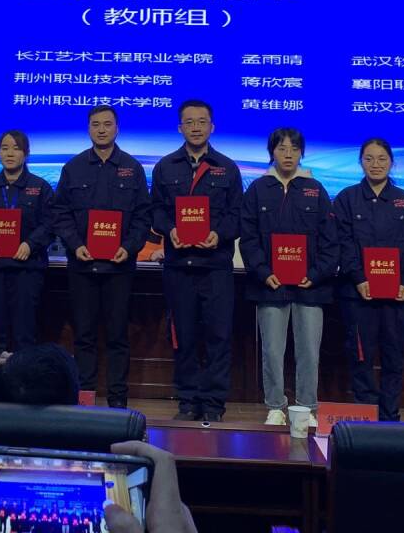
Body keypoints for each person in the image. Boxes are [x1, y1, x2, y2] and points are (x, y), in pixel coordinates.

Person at [149, 100, 243, 422]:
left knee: (218, 337)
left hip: (215, 266)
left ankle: (214, 404)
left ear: (212, 127)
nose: (196, 127)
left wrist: (218, 234)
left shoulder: (227, 168)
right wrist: (170, 229)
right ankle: (188, 401)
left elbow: (237, 215)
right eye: (189, 122)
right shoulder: (165, 167)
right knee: (184, 336)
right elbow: (156, 210)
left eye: (202, 121)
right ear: (180, 128)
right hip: (178, 266)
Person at [53, 105, 152, 409]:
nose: (101, 130)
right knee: (83, 336)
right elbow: (60, 213)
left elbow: (143, 215)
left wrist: (130, 247)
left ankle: (118, 402)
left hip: (119, 268)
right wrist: (75, 244)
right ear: (88, 129)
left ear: (117, 129)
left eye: (107, 124)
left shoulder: (132, 168)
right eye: (95, 124)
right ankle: (84, 399)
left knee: (117, 336)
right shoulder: (74, 167)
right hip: (82, 266)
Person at [238, 128, 338, 425]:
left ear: (302, 153)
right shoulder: (258, 189)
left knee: (309, 352)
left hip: (311, 287)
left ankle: (306, 407)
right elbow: (248, 238)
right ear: (272, 152)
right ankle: (275, 406)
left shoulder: (315, 189)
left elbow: (330, 240)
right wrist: (263, 272)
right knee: (272, 350)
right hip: (270, 285)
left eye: (294, 149)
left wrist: (316, 274)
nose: (288, 154)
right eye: (282, 148)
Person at [333, 138, 404, 422]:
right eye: (369, 158)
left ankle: (389, 418)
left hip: (398, 296)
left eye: (382, 159)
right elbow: (342, 242)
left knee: (393, 357)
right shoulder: (346, 198)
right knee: (360, 356)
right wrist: (358, 277)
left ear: (392, 162)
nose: (376, 164)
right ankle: (365, 417)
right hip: (357, 294)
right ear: (360, 162)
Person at [0, 130, 56, 370]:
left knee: (25, 333)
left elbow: (51, 223)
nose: (10, 153)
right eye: (4, 148)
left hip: (27, 270)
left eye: (16, 148)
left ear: (26, 153)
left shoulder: (40, 187)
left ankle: (24, 385)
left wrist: (30, 244)